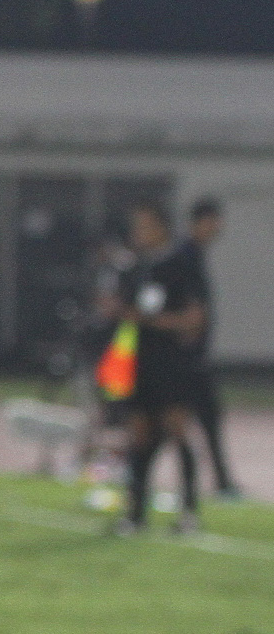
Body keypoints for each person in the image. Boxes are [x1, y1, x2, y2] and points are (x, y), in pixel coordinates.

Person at [109, 202, 208, 535]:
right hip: (141, 362)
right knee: (138, 434)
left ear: (163, 228)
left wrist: (149, 320)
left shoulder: (182, 265)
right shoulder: (136, 267)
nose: (139, 234)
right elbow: (127, 311)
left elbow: (194, 319)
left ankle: (189, 511)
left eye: (145, 226)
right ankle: (135, 514)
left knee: (177, 431)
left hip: (173, 363)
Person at [166, 199, 239, 499]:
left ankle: (220, 482)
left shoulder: (195, 254)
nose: (218, 227)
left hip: (195, 356)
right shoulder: (184, 256)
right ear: (199, 221)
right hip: (184, 356)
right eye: (213, 220)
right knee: (175, 421)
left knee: (204, 417)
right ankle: (212, 485)